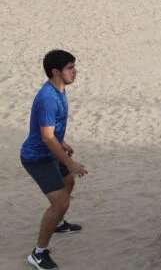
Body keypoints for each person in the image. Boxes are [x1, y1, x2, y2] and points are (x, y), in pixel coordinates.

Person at [21, 49, 88, 270]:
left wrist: (62, 142)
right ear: (55, 72)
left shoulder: (59, 90)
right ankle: (39, 253)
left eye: (74, 67)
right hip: (37, 157)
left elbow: (51, 133)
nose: (75, 72)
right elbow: (47, 138)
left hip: (51, 150)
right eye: (70, 68)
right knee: (60, 202)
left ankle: (58, 223)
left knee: (69, 181)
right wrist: (69, 162)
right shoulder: (48, 98)